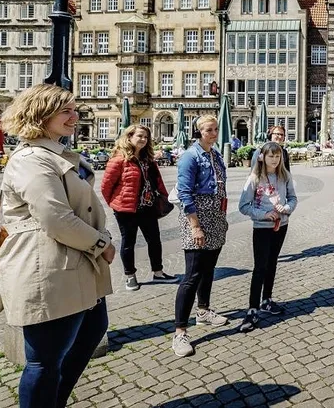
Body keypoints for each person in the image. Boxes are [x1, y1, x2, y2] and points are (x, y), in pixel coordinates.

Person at [0, 83, 116, 407]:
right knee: (45, 360)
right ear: (41, 114)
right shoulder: (30, 159)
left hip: (76, 264)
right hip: (48, 269)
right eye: (66, 111)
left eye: (74, 110)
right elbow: (56, 218)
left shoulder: (54, 153)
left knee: (91, 332)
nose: (75, 117)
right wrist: (102, 243)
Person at [172, 115, 231, 357]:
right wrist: (195, 226)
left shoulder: (215, 154)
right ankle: (179, 332)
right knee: (192, 275)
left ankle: (203, 311)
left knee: (208, 269)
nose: (214, 133)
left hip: (216, 218)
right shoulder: (190, 156)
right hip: (197, 218)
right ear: (199, 132)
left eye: (216, 129)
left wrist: (222, 217)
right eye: (209, 130)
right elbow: (185, 193)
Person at [101, 124, 177, 292]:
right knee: (128, 243)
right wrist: (116, 204)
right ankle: (130, 276)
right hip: (126, 210)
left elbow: (156, 182)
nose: (143, 139)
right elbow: (106, 186)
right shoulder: (119, 159)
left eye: (146, 137)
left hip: (148, 207)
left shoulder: (147, 159)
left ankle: (158, 272)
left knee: (154, 240)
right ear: (129, 137)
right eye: (140, 136)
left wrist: (164, 197)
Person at [238, 141, 297, 332]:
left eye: (278, 156)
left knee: (272, 263)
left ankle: (267, 299)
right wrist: (263, 214)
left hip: (281, 226)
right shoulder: (254, 178)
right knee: (260, 267)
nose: (275, 159)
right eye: (271, 156)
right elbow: (243, 206)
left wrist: (286, 208)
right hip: (262, 227)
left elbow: (293, 198)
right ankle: (252, 308)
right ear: (263, 157)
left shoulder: (284, 176)